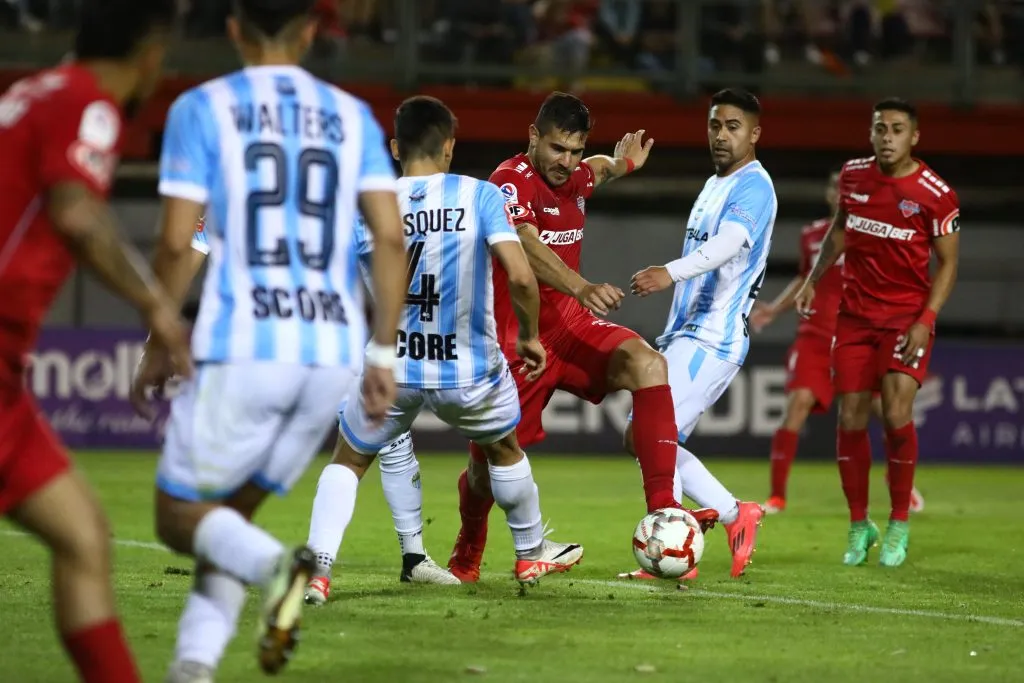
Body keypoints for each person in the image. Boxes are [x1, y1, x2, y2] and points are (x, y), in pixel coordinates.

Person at [129, 0, 407, 679]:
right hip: (332, 352)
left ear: (233, 29)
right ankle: (192, 666)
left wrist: (161, 331)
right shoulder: (351, 115)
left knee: (175, 515)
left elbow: (174, 242)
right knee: (225, 518)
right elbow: (392, 237)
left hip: (249, 342)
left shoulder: (203, 107)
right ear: (312, 31)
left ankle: (279, 567)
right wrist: (380, 353)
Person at [303, 95, 587, 604]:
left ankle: (318, 571)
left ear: (395, 147)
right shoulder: (479, 196)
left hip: (393, 366)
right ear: (450, 146)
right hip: (469, 369)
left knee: (348, 460)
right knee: (504, 450)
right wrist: (526, 334)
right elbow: (521, 275)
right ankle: (528, 554)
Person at [446, 91, 703, 584]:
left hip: (571, 328)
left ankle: (665, 519)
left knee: (649, 364)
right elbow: (524, 244)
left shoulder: (579, 174)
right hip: (516, 343)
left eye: (575, 151)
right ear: (533, 137)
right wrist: (580, 286)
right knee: (486, 470)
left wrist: (623, 162)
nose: (566, 162)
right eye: (557, 148)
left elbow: (599, 170)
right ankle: (468, 551)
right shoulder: (507, 182)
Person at [0, 2, 184, 682]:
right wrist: (155, 305)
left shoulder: (33, 91)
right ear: (149, 52)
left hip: (7, 386)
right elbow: (78, 213)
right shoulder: (90, 105)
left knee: (82, 536)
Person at [794, 98, 959, 568]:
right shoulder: (853, 176)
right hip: (855, 318)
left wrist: (926, 320)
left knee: (897, 412)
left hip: (905, 319)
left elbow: (948, 263)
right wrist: (811, 281)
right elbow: (841, 233)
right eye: (880, 128)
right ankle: (858, 524)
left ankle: (899, 523)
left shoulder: (935, 192)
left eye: (897, 129)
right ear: (871, 133)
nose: (887, 136)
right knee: (849, 417)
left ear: (915, 137)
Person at [623, 87, 775, 581]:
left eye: (733, 127)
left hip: (713, 337)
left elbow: (732, 244)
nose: (721, 135)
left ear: (754, 134)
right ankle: (709, 527)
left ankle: (724, 518)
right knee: (648, 437)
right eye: (715, 125)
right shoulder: (715, 183)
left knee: (643, 435)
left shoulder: (754, 186)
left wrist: (669, 271)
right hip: (686, 334)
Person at [749, 171, 925, 515]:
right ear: (830, 194)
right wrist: (773, 309)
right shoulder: (812, 235)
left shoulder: (875, 231)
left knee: (888, 411)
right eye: (834, 187)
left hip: (857, 335)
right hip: (814, 336)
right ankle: (777, 496)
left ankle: (897, 479)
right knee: (797, 405)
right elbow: (804, 279)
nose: (838, 192)